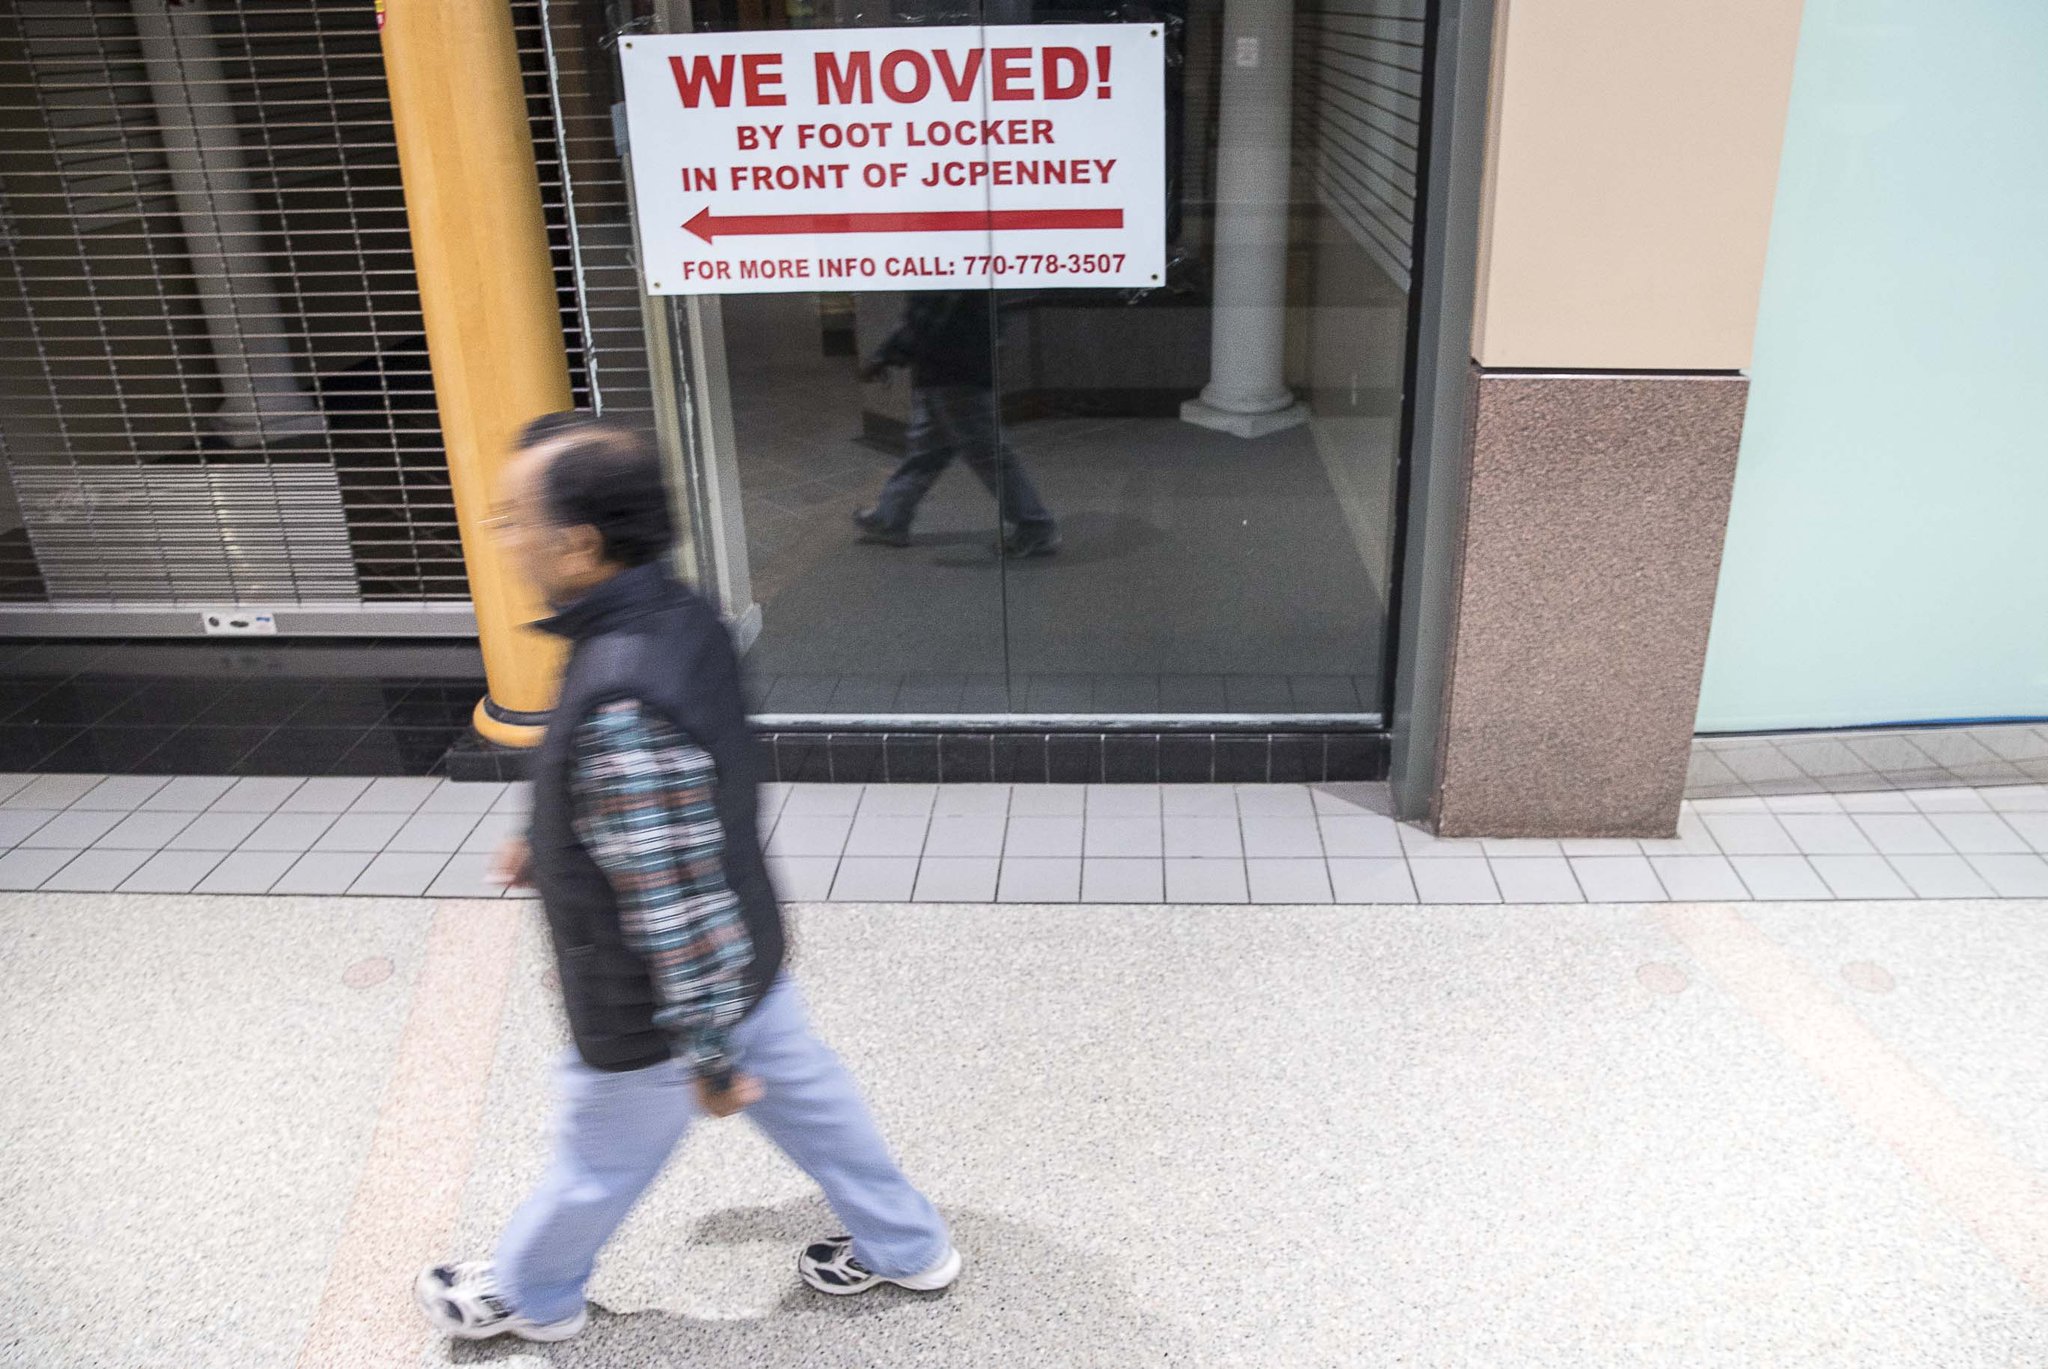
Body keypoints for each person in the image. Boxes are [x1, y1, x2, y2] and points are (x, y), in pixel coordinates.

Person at [416, 413, 959, 1344]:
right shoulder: (675, 611)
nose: (503, 535)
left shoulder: (621, 685)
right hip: (746, 949)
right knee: (819, 1107)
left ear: (580, 544)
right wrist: (544, 841)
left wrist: (708, 1060)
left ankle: (533, 1291)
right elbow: (669, 803)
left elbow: (671, 900)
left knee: (599, 1156)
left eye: (515, 517)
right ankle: (910, 1246)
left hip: (658, 1002)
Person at [853, 290, 1061, 557]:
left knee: (989, 456)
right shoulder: (962, 259)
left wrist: (884, 356)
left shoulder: (946, 260)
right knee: (925, 453)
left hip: (954, 374)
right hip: (950, 371)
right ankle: (890, 517)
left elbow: (926, 319)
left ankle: (1036, 527)